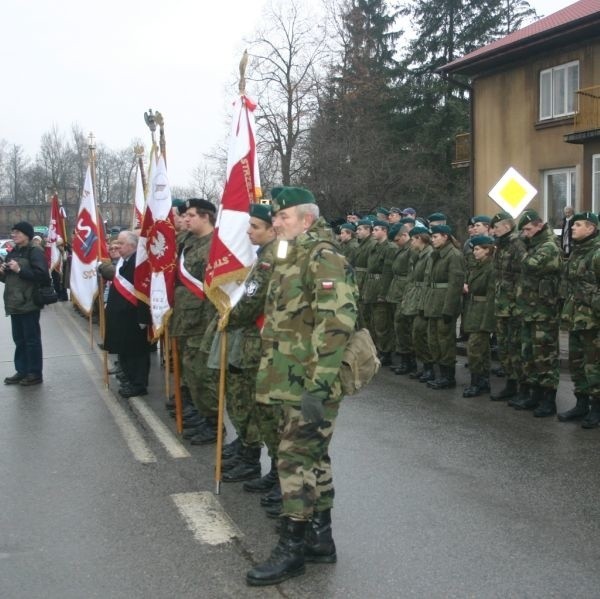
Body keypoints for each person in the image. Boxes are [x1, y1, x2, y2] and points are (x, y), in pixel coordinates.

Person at [247, 186, 357, 587]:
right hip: (286, 378)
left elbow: (336, 326)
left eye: (283, 217)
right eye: (274, 217)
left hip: (309, 382)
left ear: (306, 220)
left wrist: (318, 386)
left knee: (294, 460)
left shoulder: (323, 257)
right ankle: (320, 539)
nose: (275, 223)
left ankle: (291, 548)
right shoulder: (288, 254)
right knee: (315, 458)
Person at [217, 203, 279, 483]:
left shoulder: (270, 259)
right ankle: (247, 451)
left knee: (256, 405)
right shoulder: (263, 256)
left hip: (258, 343)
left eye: (255, 226)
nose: (248, 231)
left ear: (271, 228)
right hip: (251, 342)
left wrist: (227, 315)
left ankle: (258, 461)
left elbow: (252, 303)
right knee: (242, 400)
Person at [171, 198, 219, 445]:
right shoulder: (187, 242)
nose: (185, 219)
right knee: (191, 373)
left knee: (204, 375)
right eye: (186, 215)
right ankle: (202, 414)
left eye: (190, 215)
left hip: (203, 322)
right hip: (185, 319)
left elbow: (214, 291)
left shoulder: (215, 246)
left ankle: (213, 423)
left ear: (205, 217)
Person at [511, 210, 562, 416]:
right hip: (529, 309)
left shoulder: (549, 246)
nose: (525, 233)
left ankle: (549, 399)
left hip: (544, 311)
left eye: (528, 229)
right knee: (529, 353)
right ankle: (534, 394)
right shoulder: (535, 244)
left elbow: (531, 265)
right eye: (523, 230)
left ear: (539, 226)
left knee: (545, 355)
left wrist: (520, 247)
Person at [557, 212, 600, 428]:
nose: (572, 228)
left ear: (591, 228)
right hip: (574, 319)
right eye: (572, 225)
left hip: (593, 321)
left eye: (578, 225)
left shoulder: (597, 253)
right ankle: (581, 404)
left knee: (594, 366)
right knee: (577, 363)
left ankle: (597, 408)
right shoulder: (577, 253)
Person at [103, 231, 152, 398]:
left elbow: (143, 292)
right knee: (124, 352)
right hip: (122, 318)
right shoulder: (123, 262)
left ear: (132, 245)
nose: (117, 246)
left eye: (121, 243)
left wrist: (143, 318)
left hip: (133, 317)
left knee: (136, 354)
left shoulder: (139, 263)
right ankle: (130, 379)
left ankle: (138, 384)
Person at [1, 222, 49, 386]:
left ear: (26, 235)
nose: (13, 235)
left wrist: (19, 270)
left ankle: (34, 373)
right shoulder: (13, 252)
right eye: (13, 232)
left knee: (31, 340)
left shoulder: (34, 251)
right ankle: (22, 371)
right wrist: (2, 272)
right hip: (14, 304)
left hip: (29, 303)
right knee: (19, 340)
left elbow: (42, 275)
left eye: (17, 232)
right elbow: (8, 278)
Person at [489, 212, 527, 403]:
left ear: (507, 226)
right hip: (501, 303)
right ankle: (511, 384)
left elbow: (522, 275)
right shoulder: (500, 245)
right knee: (504, 347)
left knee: (515, 347)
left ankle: (522, 387)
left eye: (496, 227)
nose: (494, 230)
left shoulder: (517, 245)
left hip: (514, 304)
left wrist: (517, 302)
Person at [422, 224, 465, 389]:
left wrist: (449, 309)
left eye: (435, 236)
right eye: (432, 237)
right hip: (434, 302)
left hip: (444, 303)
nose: (432, 240)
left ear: (445, 237)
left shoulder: (453, 255)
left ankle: (448, 376)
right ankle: (441, 373)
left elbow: (455, 285)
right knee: (434, 340)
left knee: (445, 340)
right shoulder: (436, 254)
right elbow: (429, 282)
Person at [462, 235, 496, 397]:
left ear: (487, 250)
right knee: (481, 349)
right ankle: (482, 381)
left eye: (477, 249)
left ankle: (478, 382)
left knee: (475, 348)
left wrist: (487, 321)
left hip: (483, 311)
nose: (474, 252)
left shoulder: (490, 268)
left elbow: (491, 295)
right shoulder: (479, 266)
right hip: (474, 308)